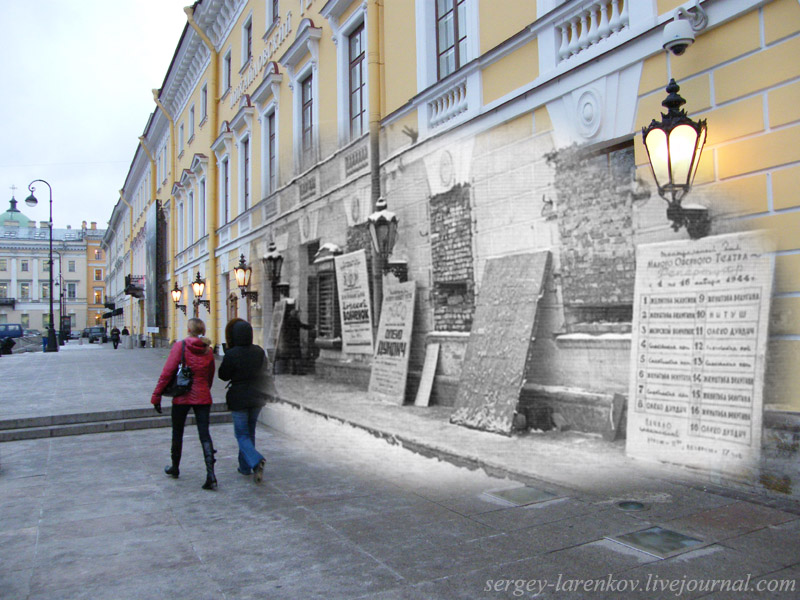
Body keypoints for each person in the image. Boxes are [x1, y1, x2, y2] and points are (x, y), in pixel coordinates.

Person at [151, 317, 218, 490]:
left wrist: (156, 395)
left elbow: (168, 372)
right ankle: (211, 474)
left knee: (177, 432)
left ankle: (175, 467)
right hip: (203, 396)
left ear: (189, 330)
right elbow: (210, 375)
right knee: (204, 434)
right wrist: (204, 390)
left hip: (182, 396)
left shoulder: (180, 346)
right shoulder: (208, 350)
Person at [218, 318, 271, 483]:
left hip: (239, 397)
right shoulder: (259, 351)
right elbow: (264, 370)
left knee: (241, 434)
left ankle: (255, 460)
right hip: (257, 396)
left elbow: (223, 375)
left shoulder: (232, 353)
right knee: (250, 432)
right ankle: (245, 467)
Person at [281, 304, 313, 375]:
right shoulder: (295, 320)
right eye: (298, 314)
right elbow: (302, 326)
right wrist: (312, 327)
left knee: (293, 356)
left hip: (289, 341)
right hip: (294, 340)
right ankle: (299, 371)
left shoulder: (287, 321)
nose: (299, 315)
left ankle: (293, 371)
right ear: (295, 314)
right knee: (297, 356)